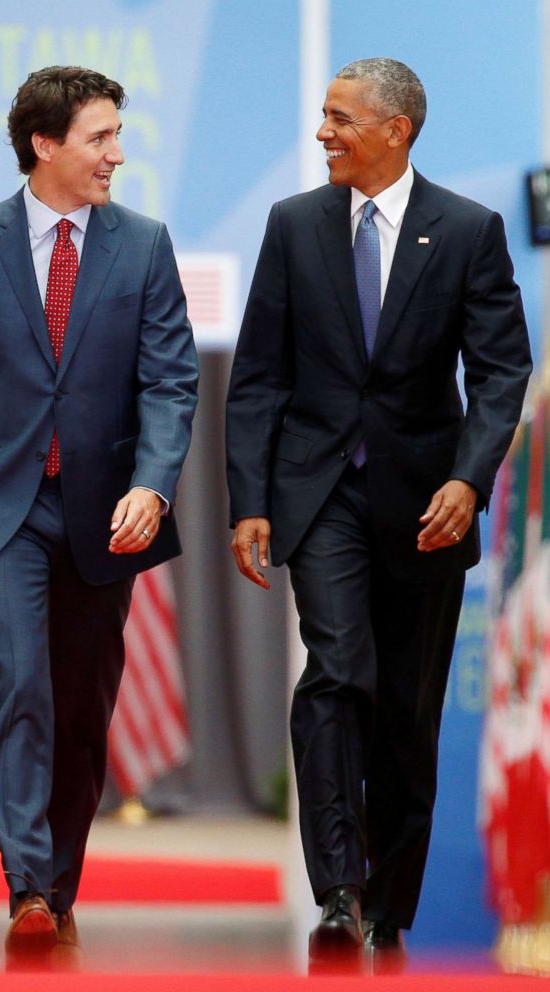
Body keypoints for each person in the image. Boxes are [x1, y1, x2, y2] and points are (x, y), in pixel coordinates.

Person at [226, 58, 531, 965]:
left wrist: (470, 478)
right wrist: (250, 500)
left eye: (339, 118)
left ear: (395, 130)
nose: (322, 132)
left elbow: (501, 370)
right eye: (323, 116)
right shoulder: (293, 225)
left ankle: (387, 909)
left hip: (425, 505)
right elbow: (258, 379)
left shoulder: (468, 230)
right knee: (335, 670)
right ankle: (337, 894)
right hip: (320, 495)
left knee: (405, 710)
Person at [0, 65, 198, 955]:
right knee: (21, 685)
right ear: (45, 143)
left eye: (117, 135)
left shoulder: (143, 244)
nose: (117, 153)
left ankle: (58, 881)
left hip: (106, 512)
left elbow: (172, 383)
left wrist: (152, 484)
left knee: (79, 708)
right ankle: (26, 885)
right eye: (100, 136)